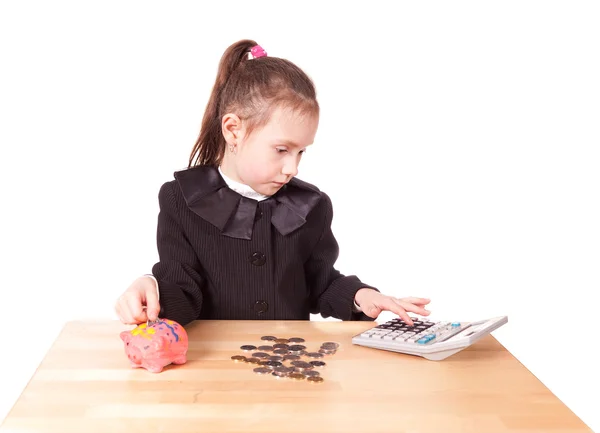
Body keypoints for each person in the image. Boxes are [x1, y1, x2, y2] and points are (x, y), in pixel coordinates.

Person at [115, 39, 431, 328]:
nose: (292, 167)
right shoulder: (181, 200)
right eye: (281, 150)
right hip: (214, 370)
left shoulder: (312, 206)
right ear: (233, 130)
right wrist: (150, 289)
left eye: (300, 152)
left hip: (289, 367)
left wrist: (361, 296)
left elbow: (320, 283)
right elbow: (182, 294)